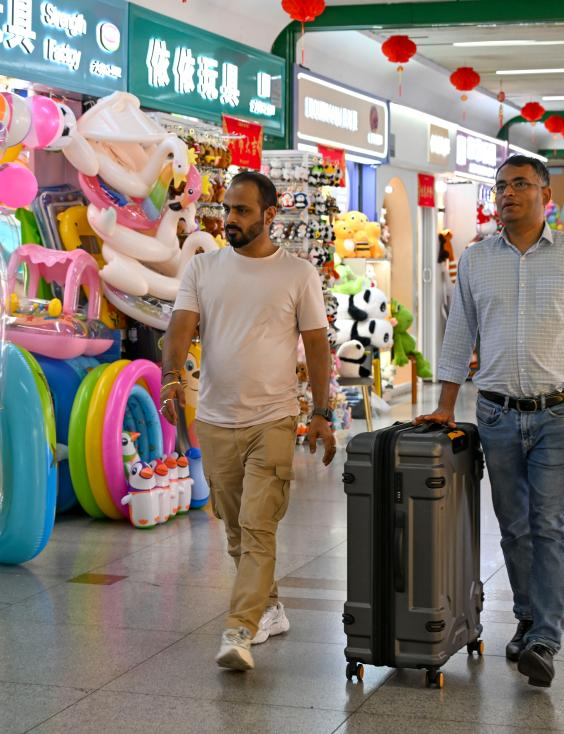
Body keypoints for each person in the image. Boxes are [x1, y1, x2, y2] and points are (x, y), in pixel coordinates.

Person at [415, 155, 564, 689]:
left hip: (558, 413)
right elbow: (459, 334)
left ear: (545, 195)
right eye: (500, 186)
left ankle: (545, 640)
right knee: (513, 527)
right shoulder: (475, 259)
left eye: (519, 184)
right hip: (496, 414)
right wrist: (445, 404)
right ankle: (528, 617)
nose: (507, 193)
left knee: (549, 524)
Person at [161, 171, 335, 672]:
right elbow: (179, 328)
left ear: (269, 215)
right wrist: (171, 378)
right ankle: (270, 607)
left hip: (273, 419)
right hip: (216, 420)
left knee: (259, 526)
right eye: (227, 210)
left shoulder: (297, 273)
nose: (229, 219)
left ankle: (239, 628)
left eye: (241, 210)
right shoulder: (203, 268)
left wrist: (321, 412)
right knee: (238, 531)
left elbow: (317, 346)